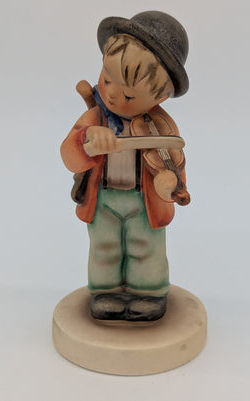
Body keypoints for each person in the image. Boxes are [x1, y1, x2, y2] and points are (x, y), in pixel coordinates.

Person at [60, 11, 190, 321]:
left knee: (145, 246)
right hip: (103, 198)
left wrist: (168, 185)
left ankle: (149, 292)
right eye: (107, 79)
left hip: (142, 202)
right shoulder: (95, 117)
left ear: (163, 95)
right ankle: (105, 292)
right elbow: (68, 155)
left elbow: (172, 164)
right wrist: (87, 140)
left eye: (129, 94)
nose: (112, 94)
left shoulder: (160, 127)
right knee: (103, 247)